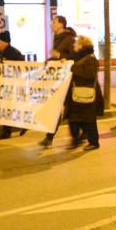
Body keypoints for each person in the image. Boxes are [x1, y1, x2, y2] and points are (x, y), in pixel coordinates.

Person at [39, 15, 77, 147]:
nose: (52, 25)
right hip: (58, 80)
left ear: (61, 24)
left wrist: (59, 56)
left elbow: (73, 57)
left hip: (68, 80)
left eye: (54, 23)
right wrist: (49, 61)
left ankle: (76, 137)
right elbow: (58, 59)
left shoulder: (69, 39)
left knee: (70, 110)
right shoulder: (58, 39)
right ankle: (49, 137)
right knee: (55, 109)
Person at [65, 35, 103, 151]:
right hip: (75, 94)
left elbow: (89, 74)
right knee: (73, 118)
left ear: (81, 46)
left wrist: (72, 67)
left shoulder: (90, 59)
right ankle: (75, 140)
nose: (74, 45)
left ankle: (94, 142)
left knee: (89, 119)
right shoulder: (77, 58)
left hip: (87, 94)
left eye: (76, 43)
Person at [0, 31, 27, 140]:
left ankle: (24, 125)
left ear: (5, 42)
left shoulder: (14, 53)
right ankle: (6, 132)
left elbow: (22, 68)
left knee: (15, 108)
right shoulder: (1, 53)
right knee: (5, 108)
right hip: (5, 86)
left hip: (15, 86)